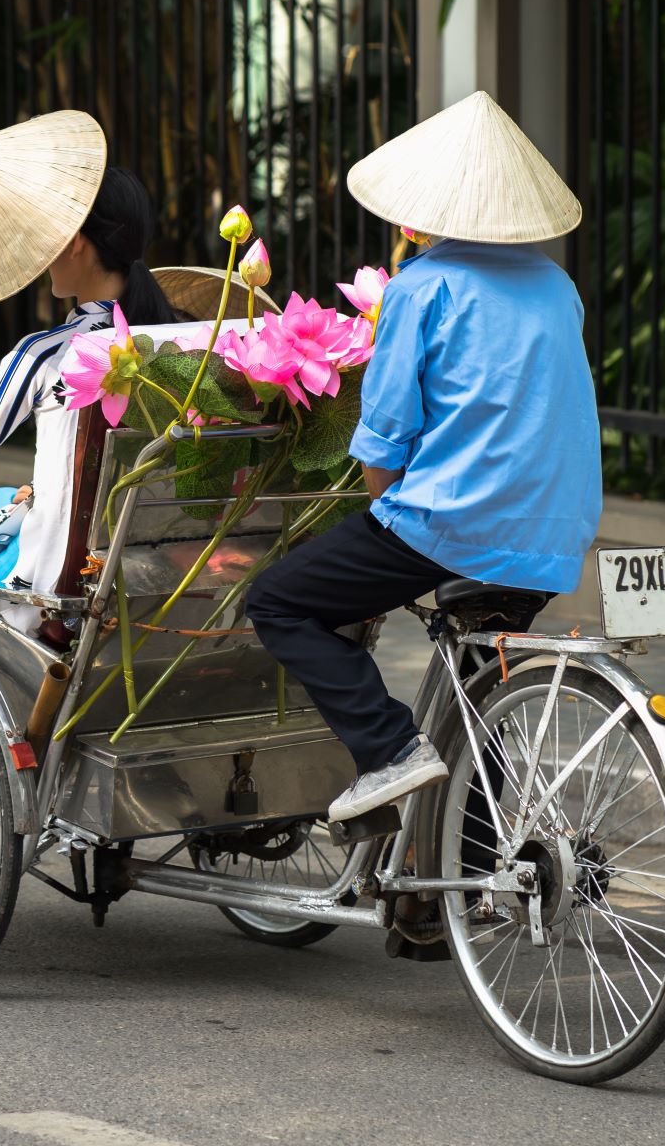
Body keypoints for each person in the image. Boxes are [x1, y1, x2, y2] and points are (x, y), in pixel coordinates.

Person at [247, 90, 602, 822]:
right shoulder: (557, 286)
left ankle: (388, 748)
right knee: (480, 685)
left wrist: (386, 514)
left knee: (278, 600)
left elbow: (383, 441)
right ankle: (466, 887)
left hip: (451, 523)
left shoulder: (422, 285)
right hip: (553, 533)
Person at [0, 110, 175, 631]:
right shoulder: (188, 338)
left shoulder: (49, 355)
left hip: (61, 591)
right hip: (163, 573)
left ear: (75, 241)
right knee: (1, 500)